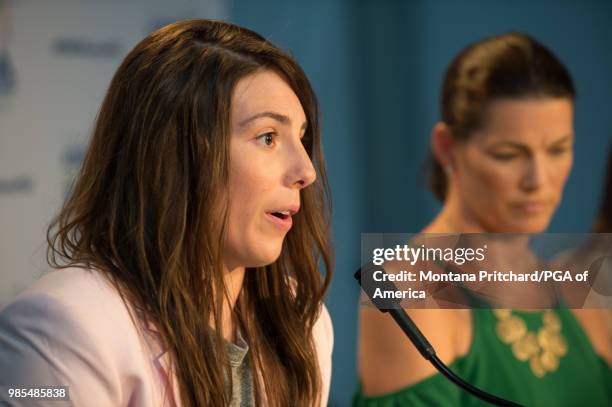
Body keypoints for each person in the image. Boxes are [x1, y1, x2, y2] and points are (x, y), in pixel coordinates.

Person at [0, 19, 333, 407]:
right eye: (268, 138)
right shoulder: (62, 329)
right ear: (174, 157)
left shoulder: (301, 322)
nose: (306, 172)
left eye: (302, 138)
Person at [355, 33, 611, 406]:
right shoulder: (409, 290)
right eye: (508, 154)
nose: (538, 180)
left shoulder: (575, 291)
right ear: (446, 147)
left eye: (558, 149)